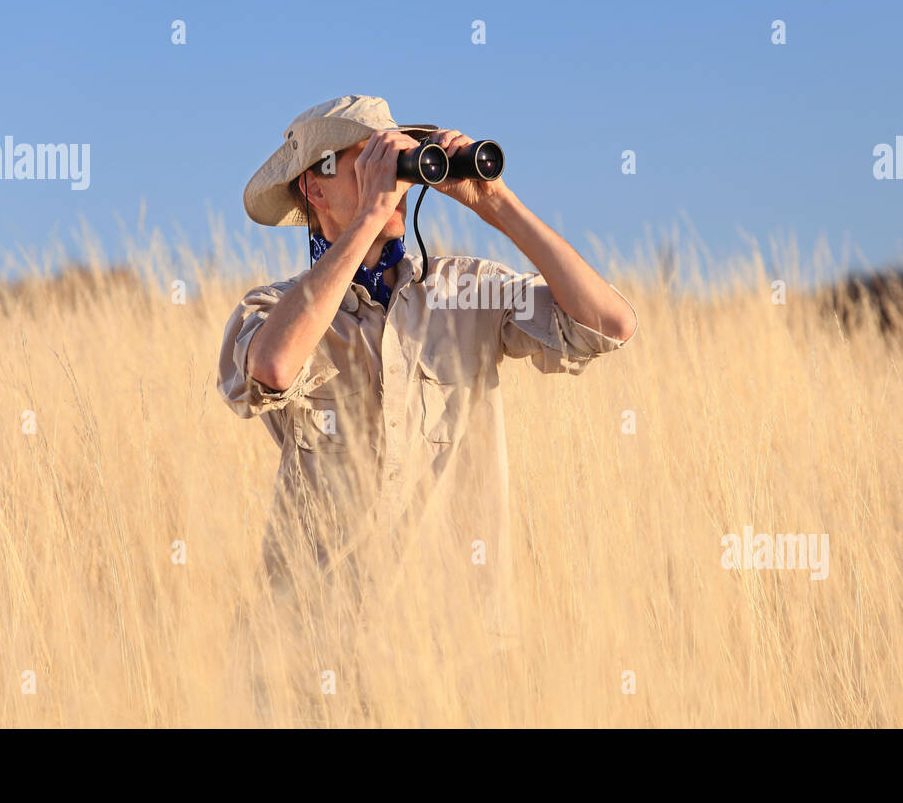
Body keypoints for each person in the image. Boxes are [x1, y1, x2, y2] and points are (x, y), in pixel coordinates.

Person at [218, 94, 637, 657]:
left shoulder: (465, 290)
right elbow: (271, 367)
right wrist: (367, 219)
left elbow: (609, 324)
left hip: (449, 647)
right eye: (365, 158)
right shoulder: (274, 309)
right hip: (311, 641)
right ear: (314, 187)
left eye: (394, 159)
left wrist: (497, 204)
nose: (389, 176)